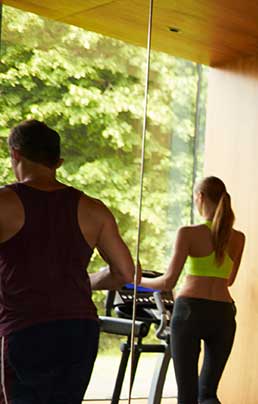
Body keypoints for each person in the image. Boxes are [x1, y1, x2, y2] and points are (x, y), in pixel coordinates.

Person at [0, 119, 137, 403]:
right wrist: (88, 281)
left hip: (25, 328)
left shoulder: (5, 202)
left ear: (15, 153)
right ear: (58, 162)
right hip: (79, 331)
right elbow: (125, 272)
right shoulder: (94, 209)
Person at [141, 176, 244, 404]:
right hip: (224, 314)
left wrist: (137, 279)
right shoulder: (237, 238)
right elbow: (229, 280)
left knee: (187, 396)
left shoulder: (188, 233)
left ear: (200, 197)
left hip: (190, 312)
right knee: (207, 394)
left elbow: (167, 282)